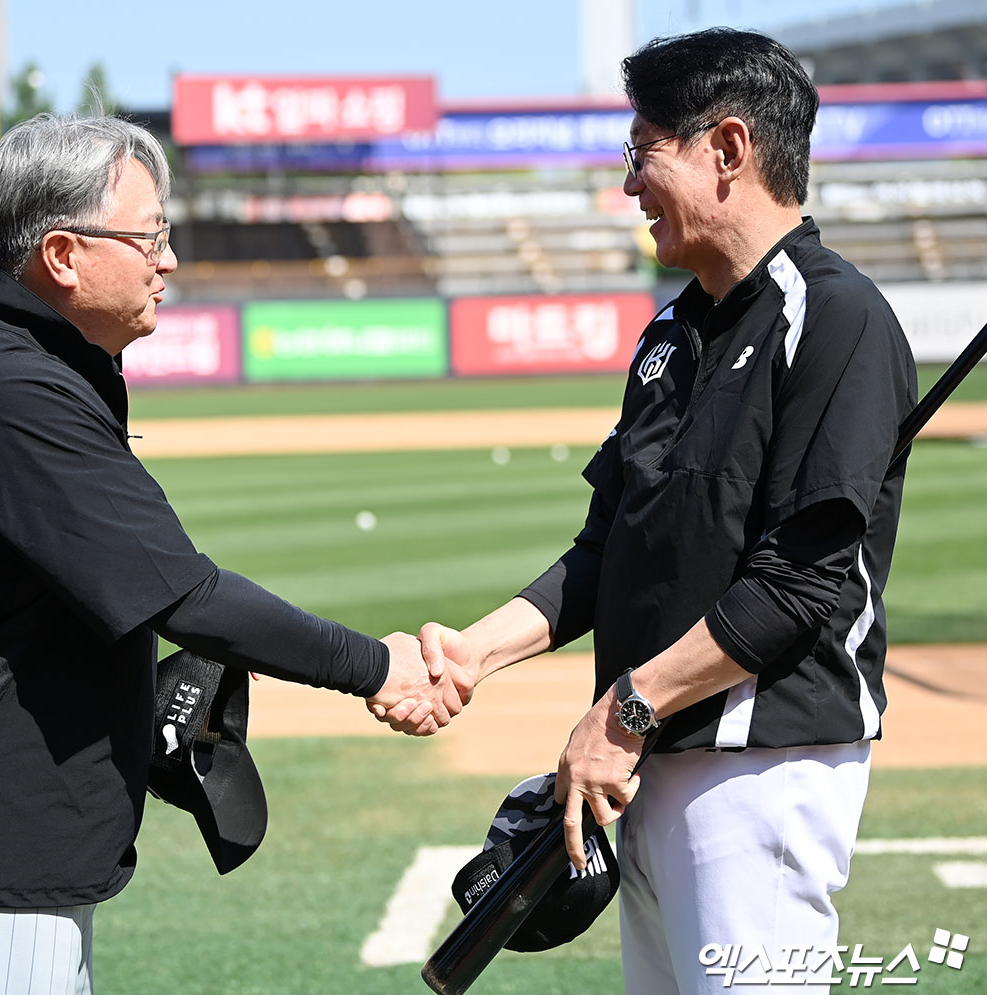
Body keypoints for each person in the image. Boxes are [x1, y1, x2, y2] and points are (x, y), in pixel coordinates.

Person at [0, 111, 462, 995]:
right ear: (63, 255)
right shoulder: (10, 387)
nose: (168, 259)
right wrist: (377, 666)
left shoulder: (12, 358)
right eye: (150, 235)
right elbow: (187, 596)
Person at [383, 27, 918, 994]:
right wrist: (477, 650)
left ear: (727, 150)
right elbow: (609, 548)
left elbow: (796, 584)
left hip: (762, 770)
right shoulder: (672, 329)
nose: (628, 184)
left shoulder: (837, 317)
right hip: (649, 762)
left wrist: (625, 709)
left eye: (643, 152)